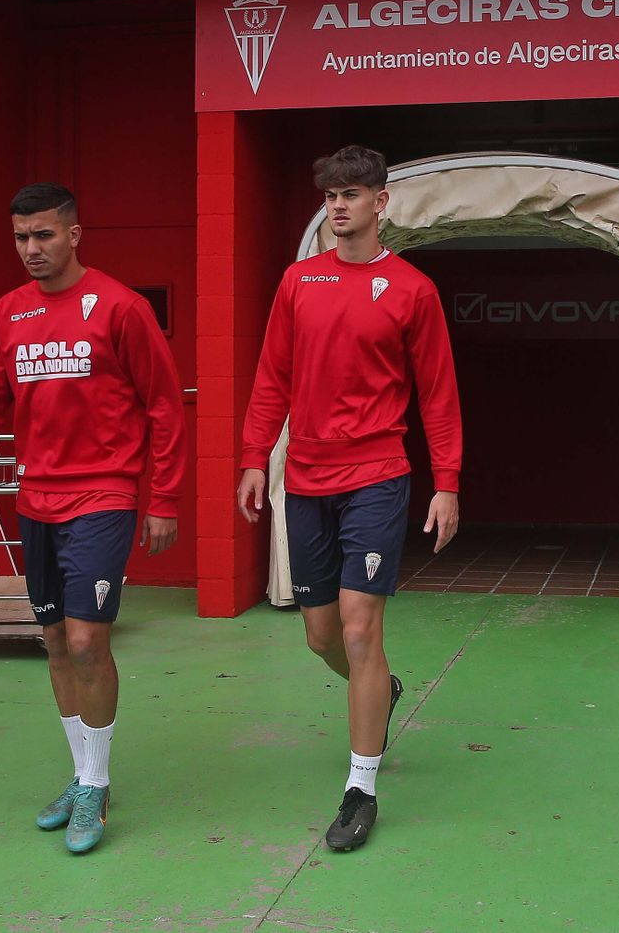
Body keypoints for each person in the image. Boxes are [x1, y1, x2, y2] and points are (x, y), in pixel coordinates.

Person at [0, 182, 185, 854]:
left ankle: (96, 788)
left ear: (74, 234)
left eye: (43, 235)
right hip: (34, 499)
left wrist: (164, 499)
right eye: (20, 237)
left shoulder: (119, 307)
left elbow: (164, 407)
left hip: (103, 496)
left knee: (85, 642)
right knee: (51, 642)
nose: (31, 249)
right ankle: (82, 771)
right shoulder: (8, 315)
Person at [237, 144, 463, 851]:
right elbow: (273, 374)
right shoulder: (297, 282)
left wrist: (447, 483)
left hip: (377, 474)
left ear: (380, 203)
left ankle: (361, 785)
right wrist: (253, 457)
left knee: (363, 629)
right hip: (305, 478)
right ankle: (380, 689)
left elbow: (438, 394)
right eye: (331, 195)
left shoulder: (412, 290)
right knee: (321, 635)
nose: (338, 206)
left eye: (352, 194)